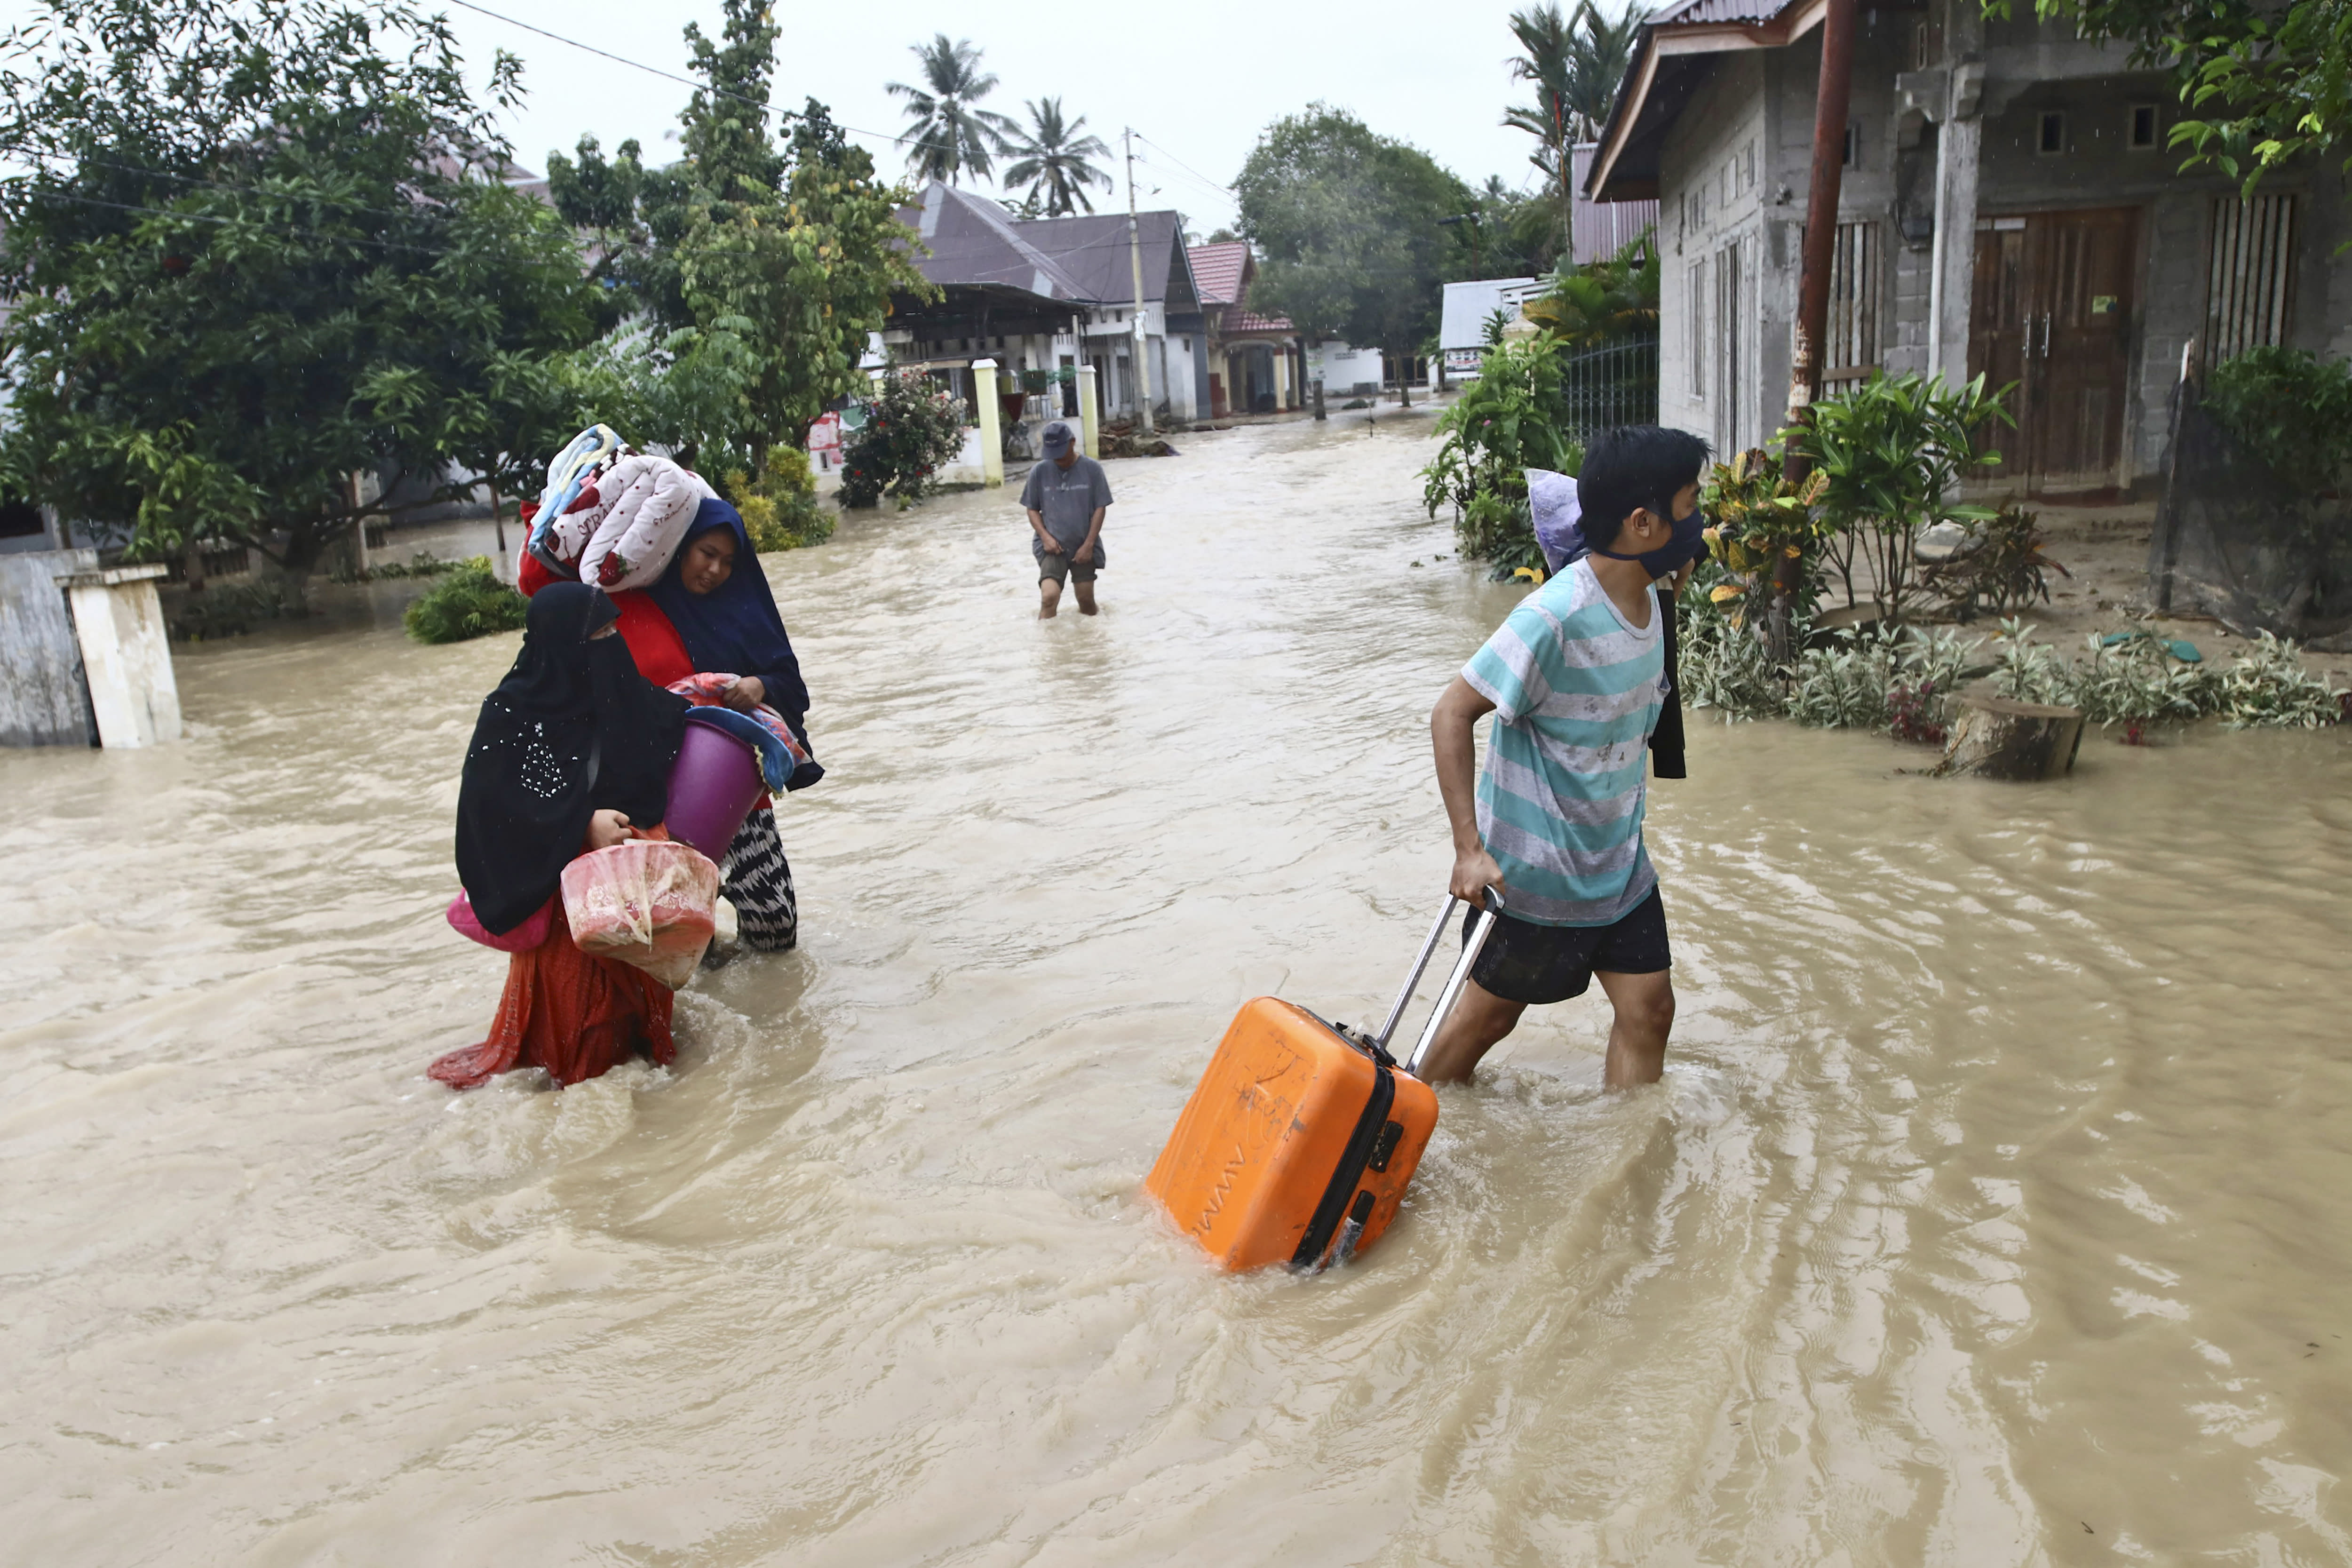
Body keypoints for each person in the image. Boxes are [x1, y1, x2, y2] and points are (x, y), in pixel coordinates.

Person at [1420, 426, 1713, 1090]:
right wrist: (1469, 850)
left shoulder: (1654, 600)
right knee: (1485, 1023)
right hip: (1536, 876)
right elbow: (1452, 712)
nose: (1702, 521)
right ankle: (1407, 1128)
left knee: (1650, 1010)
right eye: (1692, 504)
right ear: (1644, 523)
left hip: (1617, 865)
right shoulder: (1553, 617)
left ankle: (1626, 1164)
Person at [432, 583, 691, 1089]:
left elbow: (669, 729)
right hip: (566, 907)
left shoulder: (625, 694)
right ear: (561, 646)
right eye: (598, 635)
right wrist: (583, 824)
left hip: (631, 893)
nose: (612, 644)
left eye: (615, 630)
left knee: (642, 1047)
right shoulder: (511, 714)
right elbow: (495, 809)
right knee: (582, 1041)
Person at [647, 497, 820, 954]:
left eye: (728, 561)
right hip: (660, 792)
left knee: (775, 925)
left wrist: (759, 685)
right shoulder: (647, 606)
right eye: (707, 553)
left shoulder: (747, 607)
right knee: (675, 922)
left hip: (735, 788)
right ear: (681, 548)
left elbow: (792, 686)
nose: (715, 570)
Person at [1019, 421, 1112, 618]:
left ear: (1073, 443)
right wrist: (1045, 537)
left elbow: (1100, 508)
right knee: (1049, 598)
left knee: (1086, 601)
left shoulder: (1092, 469)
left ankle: (1091, 642)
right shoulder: (1039, 472)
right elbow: (1032, 509)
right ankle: (1047, 643)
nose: (1058, 460)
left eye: (1061, 452)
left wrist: (1089, 545)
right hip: (1052, 547)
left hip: (1083, 544)